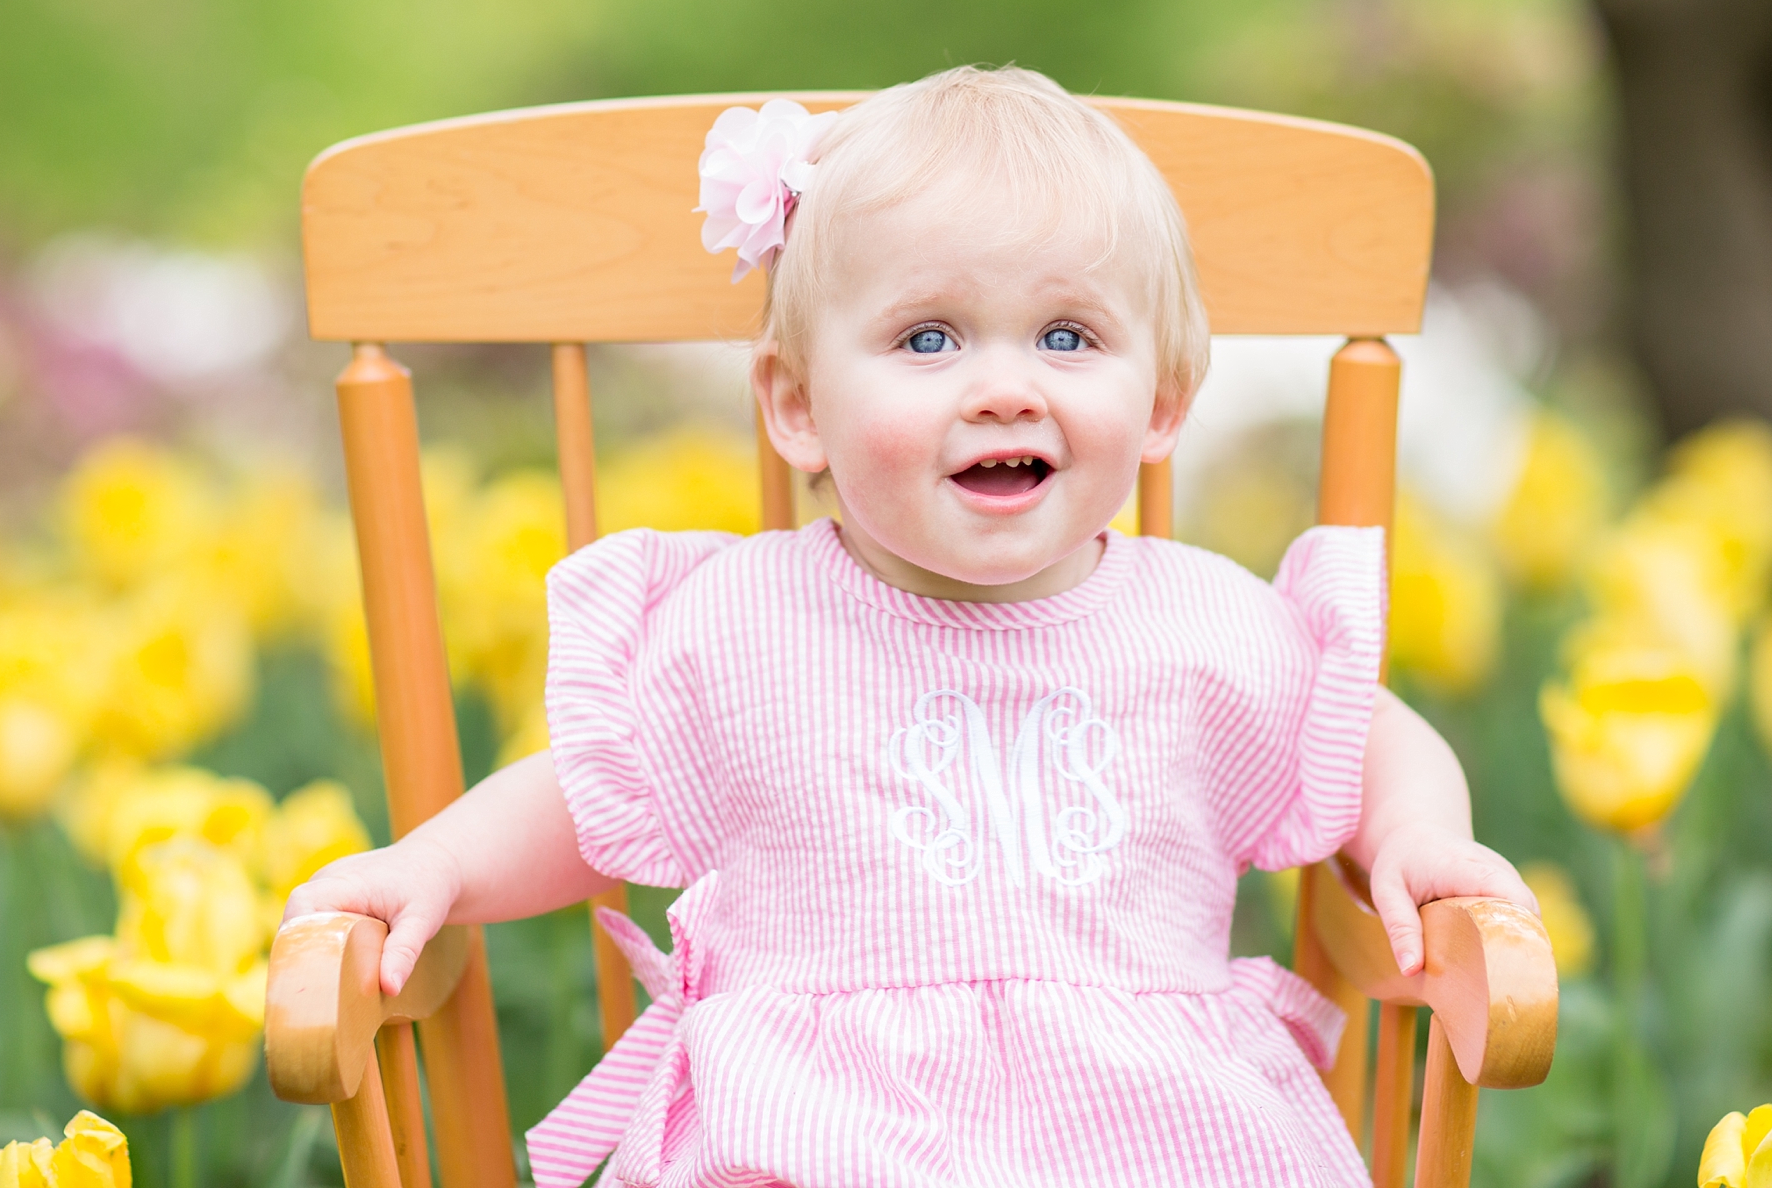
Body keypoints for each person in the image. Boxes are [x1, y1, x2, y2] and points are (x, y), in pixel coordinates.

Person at [283, 65, 1539, 1188]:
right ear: (796, 408)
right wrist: (433, 867)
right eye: (926, 337)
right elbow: (585, 795)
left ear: (1159, 402)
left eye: (1066, 335)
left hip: (1147, 1131)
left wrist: (1420, 836)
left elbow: (1360, 733)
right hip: (817, 1132)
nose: (1004, 385)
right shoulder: (745, 626)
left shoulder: (1203, 624)